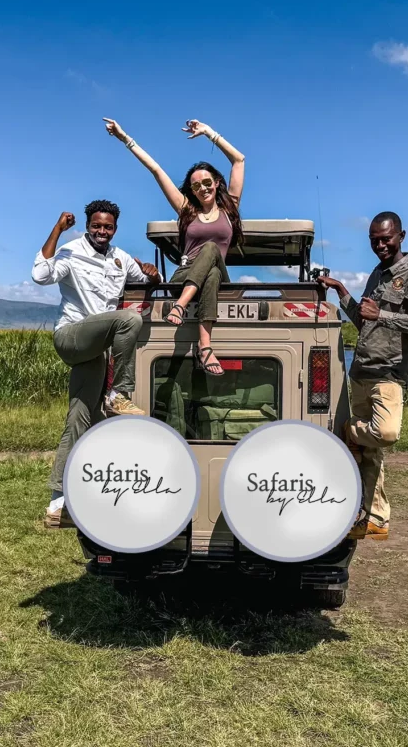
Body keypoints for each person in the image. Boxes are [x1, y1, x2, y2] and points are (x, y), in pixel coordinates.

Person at [32, 200, 161, 528]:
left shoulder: (120, 258)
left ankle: (56, 504)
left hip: (95, 351)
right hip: (72, 336)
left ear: (114, 229)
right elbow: (40, 274)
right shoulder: (71, 251)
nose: (101, 232)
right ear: (87, 225)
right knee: (129, 320)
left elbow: (148, 280)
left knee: (78, 418)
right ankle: (119, 394)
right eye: (96, 226)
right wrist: (58, 230)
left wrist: (152, 272)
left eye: (108, 227)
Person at [317, 212, 408, 541]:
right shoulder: (377, 274)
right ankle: (373, 518)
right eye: (374, 240)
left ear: (401, 236)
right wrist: (341, 291)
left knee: (384, 434)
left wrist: (383, 314)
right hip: (361, 371)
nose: (380, 245)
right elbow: (365, 321)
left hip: (390, 373)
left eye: (386, 239)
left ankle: (349, 431)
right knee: (371, 455)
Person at [102, 117, 245, 376]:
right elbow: (156, 170)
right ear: (191, 190)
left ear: (216, 183)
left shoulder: (229, 208)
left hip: (216, 279)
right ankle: (205, 346)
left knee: (212, 252)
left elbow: (239, 160)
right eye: (195, 185)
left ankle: (180, 305)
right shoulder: (186, 210)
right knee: (209, 272)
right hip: (185, 274)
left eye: (206, 182)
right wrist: (125, 138)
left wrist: (209, 132)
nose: (202, 188)